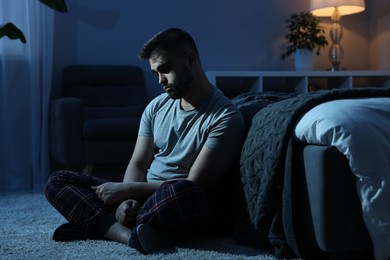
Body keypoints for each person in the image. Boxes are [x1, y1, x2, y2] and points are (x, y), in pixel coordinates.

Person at [45, 28, 246, 254]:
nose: (160, 80)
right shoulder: (156, 106)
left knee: (185, 193)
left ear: (190, 60)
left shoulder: (226, 117)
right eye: (155, 73)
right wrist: (125, 201)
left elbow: (194, 183)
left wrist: (127, 190)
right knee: (57, 180)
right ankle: (129, 234)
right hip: (143, 199)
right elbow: (138, 164)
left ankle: (100, 224)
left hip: (176, 202)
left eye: (165, 70)